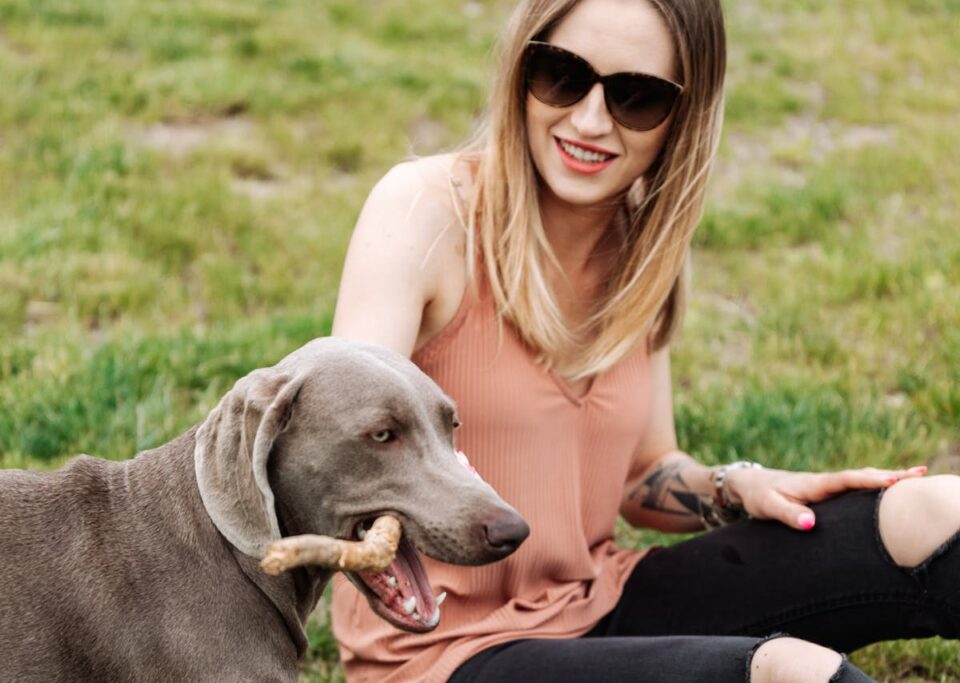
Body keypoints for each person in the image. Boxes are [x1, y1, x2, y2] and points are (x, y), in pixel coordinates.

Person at [328, 0, 960, 681]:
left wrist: (736, 485)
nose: (591, 120)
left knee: (934, 512)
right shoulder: (423, 215)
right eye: (563, 75)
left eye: (636, 96)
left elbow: (641, 475)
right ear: (521, 69)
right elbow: (338, 450)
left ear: (680, 119)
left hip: (596, 605)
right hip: (445, 655)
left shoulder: (642, 249)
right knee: (789, 671)